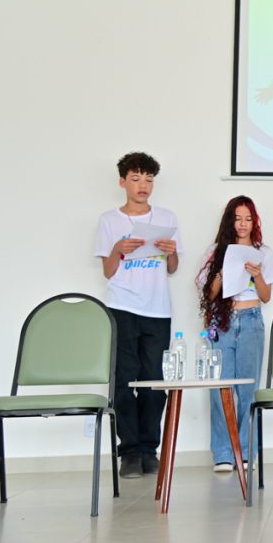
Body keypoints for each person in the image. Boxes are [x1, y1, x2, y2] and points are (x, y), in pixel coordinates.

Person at [94, 152, 182, 479]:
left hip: (158, 309)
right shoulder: (109, 220)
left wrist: (171, 253)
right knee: (123, 380)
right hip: (122, 307)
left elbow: (172, 268)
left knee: (154, 382)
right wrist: (118, 249)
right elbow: (107, 271)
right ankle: (129, 452)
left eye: (148, 179)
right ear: (123, 182)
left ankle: (149, 449)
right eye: (136, 179)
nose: (143, 185)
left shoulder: (167, 217)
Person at [197, 196, 273, 472]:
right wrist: (223, 273)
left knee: (248, 389)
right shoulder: (216, 250)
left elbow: (266, 297)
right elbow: (208, 294)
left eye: (248, 219)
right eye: (237, 218)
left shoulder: (263, 252)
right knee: (220, 388)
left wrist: (257, 275)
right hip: (223, 321)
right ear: (229, 221)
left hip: (251, 319)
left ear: (254, 222)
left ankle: (246, 451)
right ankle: (223, 452)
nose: (243, 224)